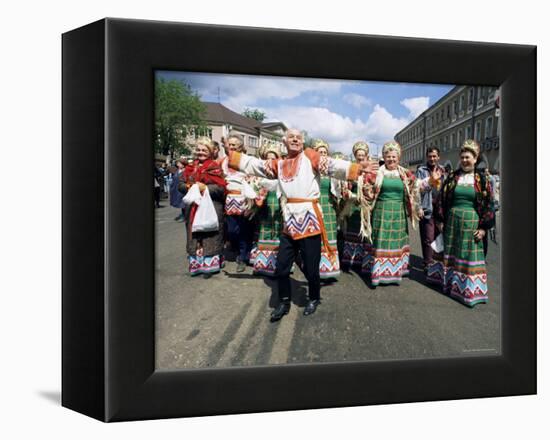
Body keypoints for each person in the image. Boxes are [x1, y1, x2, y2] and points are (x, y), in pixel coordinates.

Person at [227, 128, 377, 321]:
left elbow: (331, 165)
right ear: (285, 141)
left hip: (309, 219)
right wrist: (232, 155)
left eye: (299, 137)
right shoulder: (279, 164)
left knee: (312, 267)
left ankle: (314, 297)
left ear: (303, 141)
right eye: (291, 137)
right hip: (289, 221)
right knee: (281, 267)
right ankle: (283, 302)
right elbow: (256, 165)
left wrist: (356, 168)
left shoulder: (310, 156)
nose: (296, 140)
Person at [427, 140, 495, 307]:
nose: (465, 160)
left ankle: (468, 291)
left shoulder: (482, 179)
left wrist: (483, 228)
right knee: (450, 253)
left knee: (467, 255)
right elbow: (442, 199)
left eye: (468, 157)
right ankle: (449, 284)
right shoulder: (452, 177)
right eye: (463, 157)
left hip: (471, 223)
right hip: (452, 221)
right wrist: (441, 220)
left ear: (475, 158)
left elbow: (489, 204)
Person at [364, 141, 422, 287]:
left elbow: (415, 188)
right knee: (381, 241)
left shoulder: (405, 173)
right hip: (381, 213)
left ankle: (395, 273)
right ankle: (379, 274)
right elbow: (366, 189)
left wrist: (417, 207)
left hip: (398, 214)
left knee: (397, 241)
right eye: (388, 156)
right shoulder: (377, 173)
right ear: (384, 157)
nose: (391, 159)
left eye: (394, 157)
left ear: (399, 158)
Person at [178, 137, 227, 278]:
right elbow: (180, 184)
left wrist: (205, 188)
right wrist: (189, 187)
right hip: (193, 207)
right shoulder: (189, 167)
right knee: (195, 234)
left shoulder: (215, 167)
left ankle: (211, 264)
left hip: (211, 206)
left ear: (211, 152)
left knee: (209, 233)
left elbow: (220, 189)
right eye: (198, 150)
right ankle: (197, 264)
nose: (201, 152)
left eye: (204, 150)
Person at [221, 134, 256, 272]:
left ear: (241, 147)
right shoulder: (223, 161)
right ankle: (241, 250)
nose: (231, 147)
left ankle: (243, 257)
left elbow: (254, 182)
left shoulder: (247, 161)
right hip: (229, 201)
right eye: (229, 144)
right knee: (232, 230)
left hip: (244, 200)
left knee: (244, 230)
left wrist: (252, 203)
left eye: (234, 145)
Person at [249, 144, 283, 276]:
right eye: (267, 158)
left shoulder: (281, 172)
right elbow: (254, 187)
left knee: (278, 232)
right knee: (264, 231)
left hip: (278, 205)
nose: (270, 161)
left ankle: (278, 265)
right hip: (264, 206)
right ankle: (263, 264)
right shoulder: (260, 172)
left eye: (273, 158)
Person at [340, 141, 373, 275]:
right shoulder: (350, 171)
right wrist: (353, 196)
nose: (360, 157)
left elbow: (375, 189)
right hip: (352, 207)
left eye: (362, 155)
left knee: (365, 234)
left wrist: (369, 194)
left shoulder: (372, 171)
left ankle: (364, 262)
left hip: (366, 208)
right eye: (358, 155)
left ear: (366, 155)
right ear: (355, 156)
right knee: (352, 234)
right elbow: (344, 190)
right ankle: (350, 261)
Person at [311, 139, 341, 280]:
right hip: (314, 205)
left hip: (328, 207)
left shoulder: (331, 171)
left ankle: (329, 268)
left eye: (324, 152)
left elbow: (337, 190)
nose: (322, 154)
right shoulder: (311, 169)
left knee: (329, 236)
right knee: (314, 236)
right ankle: (314, 267)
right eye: (319, 152)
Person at [415, 147, 446, 272]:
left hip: (440, 208)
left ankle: (436, 261)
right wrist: (419, 207)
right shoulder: (421, 170)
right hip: (426, 207)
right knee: (427, 237)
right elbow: (416, 190)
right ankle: (428, 262)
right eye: (430, 156)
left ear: (438, 157)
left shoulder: (443, 170)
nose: (432, 158)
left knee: (438, 236)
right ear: (427, 157)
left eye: (434, 156)